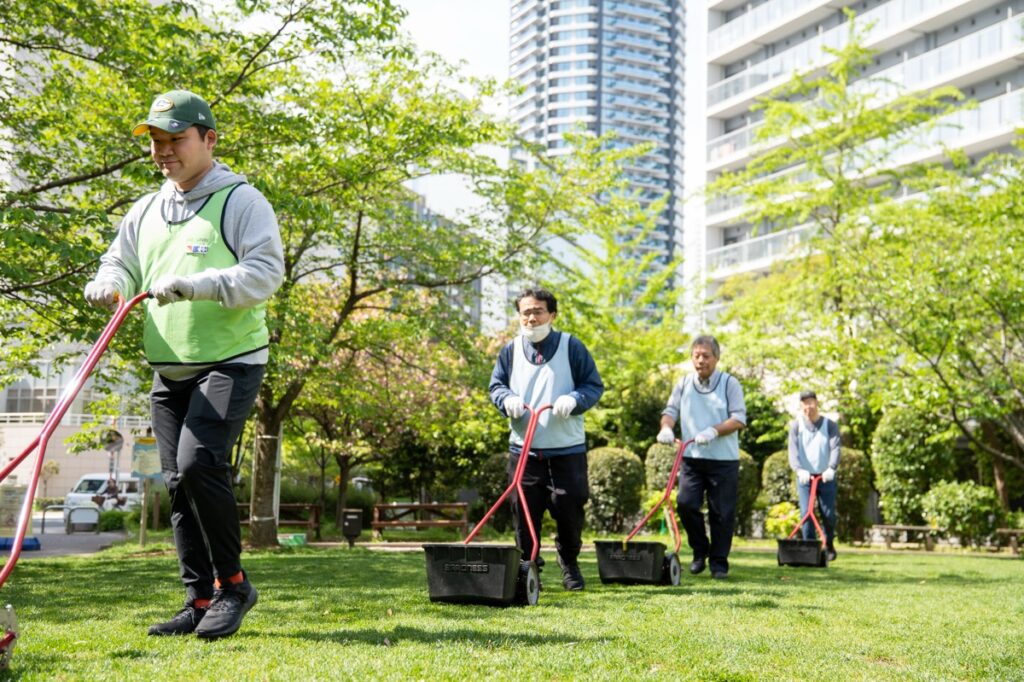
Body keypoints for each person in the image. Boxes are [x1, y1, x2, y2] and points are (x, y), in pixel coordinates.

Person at [84, 90, 284, 639]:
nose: (163, 150)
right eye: (156, 140)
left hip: (230, 361)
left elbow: (266, 273)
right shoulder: (146, 209)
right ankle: (198, 599)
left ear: (209, 139)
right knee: (175, 481)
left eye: (175, 138)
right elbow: (120, 260)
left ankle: (234, 586)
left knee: (198, 465)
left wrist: (198, 285)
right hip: (169, 366)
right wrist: (109, 282)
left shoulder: (240, 201)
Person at [488, 288, 603, 591]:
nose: (531, 318)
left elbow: (593, 386)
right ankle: (528, 566)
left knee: (569, 509)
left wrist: (575, 399)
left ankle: (569, 563)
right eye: (525, 312)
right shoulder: (510, 350)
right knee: (523, 511)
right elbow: (496, 386)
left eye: (537, 311)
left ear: (552, 315)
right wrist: (506, 399)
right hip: (524, 450)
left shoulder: (571, 346)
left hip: (566, 450)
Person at [657, 335, 746, 580]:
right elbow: (670, 411)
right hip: (691, 457)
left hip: (723, 460)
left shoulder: (729, 383)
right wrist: (666, 428)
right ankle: (700, 550)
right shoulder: (684, 383)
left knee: (721, 513)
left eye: (706, 356)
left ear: (716, 358)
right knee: (685, 504)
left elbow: (739, 419)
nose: (700, 360)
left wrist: (714, 431)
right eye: (696, 355)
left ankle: (718, 564)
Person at [788, 390, 840, 561]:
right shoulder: (796, 426)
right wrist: (798, 469)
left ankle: (828, 544)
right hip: (805, 478)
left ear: (817, 403)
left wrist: (831, 468)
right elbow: (793, 451)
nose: (808, 406)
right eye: (804, 403)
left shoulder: (830, 425)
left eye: (810, 402)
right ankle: (810, 550)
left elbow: (835, 448)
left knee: (828, 514)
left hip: (825, 477)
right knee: (806, 514)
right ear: (800, 405)